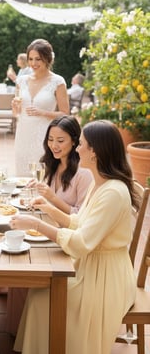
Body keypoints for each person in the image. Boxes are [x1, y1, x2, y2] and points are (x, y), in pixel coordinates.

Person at [10, 120, 138, 354]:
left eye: (82, 145)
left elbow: (80, 243)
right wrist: (48, 208)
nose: (77, 149)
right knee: (39, 291)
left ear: (95, 152)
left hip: (105, 277)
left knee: (41, 297)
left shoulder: (113, 193)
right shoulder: (101, 184)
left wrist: (38, 224)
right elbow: (81, 222)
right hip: (93, 266)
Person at [12, 38, 70, 176]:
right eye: (30, 59)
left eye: (38, 59)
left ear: (47, 58)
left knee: (43, 176)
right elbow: (17, 114)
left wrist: (43, 112)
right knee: (22, 176)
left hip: (44, 136)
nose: (33, 63)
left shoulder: (58, 81)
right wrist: (15, 107)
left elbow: (65, 113)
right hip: (23, 135)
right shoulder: (21, 81)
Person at [29, 115, 93, 214]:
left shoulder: (83, 172)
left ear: (74, 141)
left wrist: (52, 197)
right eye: (50, 139)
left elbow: (80, 216)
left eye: (60, 141)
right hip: (49, 221)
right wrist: (41, 186)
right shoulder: (53, 163)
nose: (54, 146)